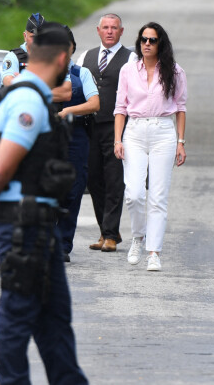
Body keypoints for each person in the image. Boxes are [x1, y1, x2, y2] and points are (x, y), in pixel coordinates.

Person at [0, 24, 88, 385]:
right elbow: (1, 166)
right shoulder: (28, 100)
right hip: (22, 224)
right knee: (19, 314)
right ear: (63, 58)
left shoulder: (30, 96)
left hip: (36, 222)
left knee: (55, 318)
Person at [114, 22, 187, 272]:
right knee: (134, 193)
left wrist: (180, 142)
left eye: (152, 40)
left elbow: (180, 108)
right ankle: (138, 237)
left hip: (163, 133)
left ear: (160, 44)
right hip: (134, 132)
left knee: (158, 196)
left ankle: (154, 252)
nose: (147, 44)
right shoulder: (128, 71)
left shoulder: (174, 72)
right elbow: (120, 108)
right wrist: (117, 140)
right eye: (144, 39)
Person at [76, 13, 136, 252]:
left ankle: (110, 234)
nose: (110, 31)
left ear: (121, 32)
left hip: (117, 127)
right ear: (98, 30)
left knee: (113, 179)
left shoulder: (131, 58)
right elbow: (78, 88)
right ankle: (106, 230)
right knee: (94, 180)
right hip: (89, 126)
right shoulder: (85, 57)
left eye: (114, 28)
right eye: (106, 28)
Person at [57, 26, 100, 262]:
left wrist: (69, 110)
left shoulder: (81, 74)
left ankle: (63, 245)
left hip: (76, 136)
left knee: (73, 191)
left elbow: (94, 103)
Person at [2, 12, 72, 103]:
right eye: (33, 37)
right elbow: (9, 84)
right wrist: (48, 86)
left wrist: (24, 83)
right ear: (25, 36)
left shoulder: (56, 56)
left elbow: (66, 93)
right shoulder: (13, 57)